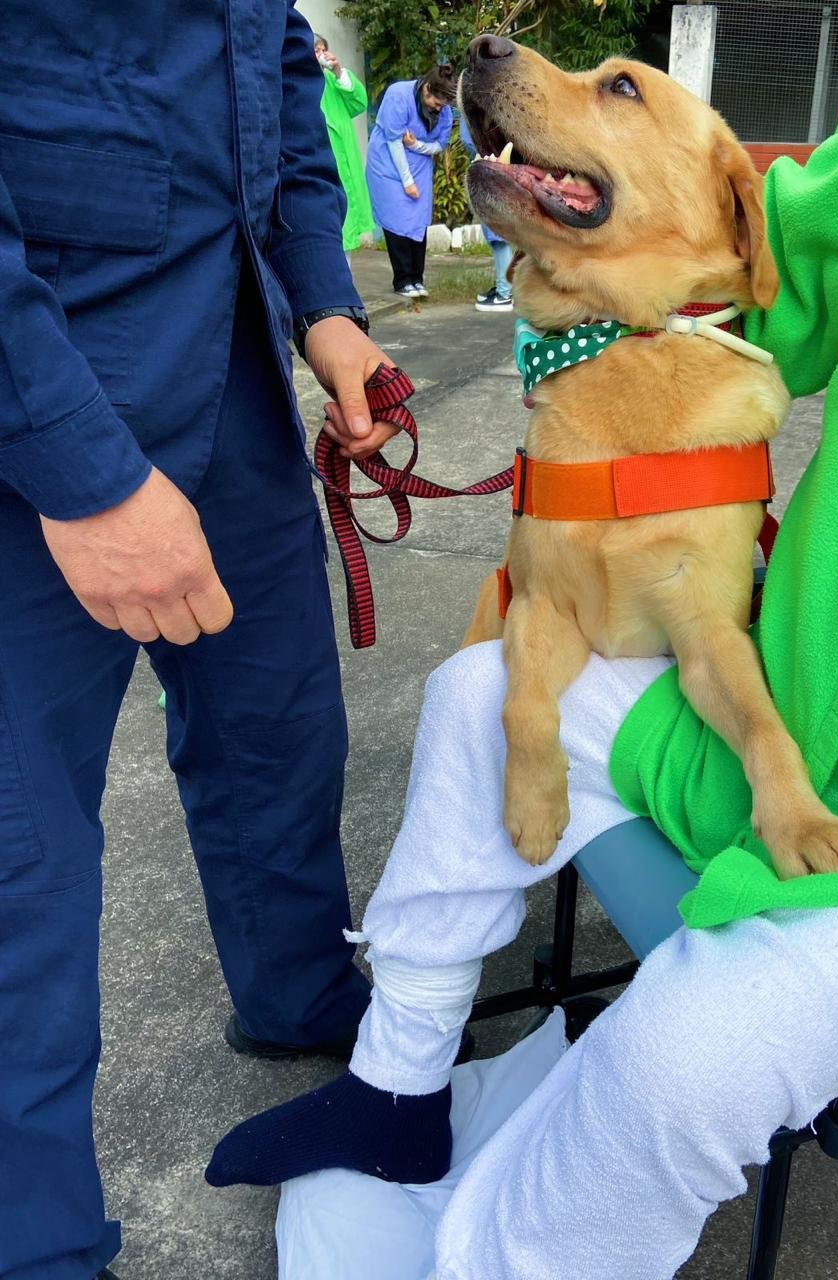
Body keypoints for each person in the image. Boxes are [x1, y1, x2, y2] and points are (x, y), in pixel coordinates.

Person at [207, 3, 838, 1277]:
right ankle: (396, 1087)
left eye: (616, 87)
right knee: (473, 694)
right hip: (811, 709)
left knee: (682, 1055)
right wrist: (590, 321)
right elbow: (766, 261)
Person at [0, 4, 406, 1278]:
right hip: (37, 369)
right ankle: (35, 1245)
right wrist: (79, 470)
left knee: (277, 729)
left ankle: (297, 992)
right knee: (18, 857)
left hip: (227, 365)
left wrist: (321, 304)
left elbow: (268, 57)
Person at [365, 65, 456, 298]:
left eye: (444, 105)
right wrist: (407, 181)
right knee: (396, 220)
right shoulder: (398, 95)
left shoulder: (444, 112)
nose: (439, 108)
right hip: (388, 165)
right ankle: (402, 280)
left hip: (420, 166)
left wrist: (416, 145)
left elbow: (439, 146)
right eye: (437, 103)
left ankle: (417, 278)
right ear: (427, 89)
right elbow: (394, 141)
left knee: (417, 222)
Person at [313, 33, 376, 252]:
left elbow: (358, 103)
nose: (321, 55)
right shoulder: (298, 84)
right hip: (320, 166)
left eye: (323, 50)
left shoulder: (333, 80)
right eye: (316, 51)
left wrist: (339, 72)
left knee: (345, 234)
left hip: (344, 165)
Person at [458, 116, 514, 313]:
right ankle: (502, 287)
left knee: (498, 236)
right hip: (490, 163)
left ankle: (505, 293)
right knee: (496, 236)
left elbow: (470, 140)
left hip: (494, 166)